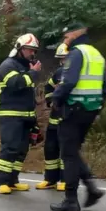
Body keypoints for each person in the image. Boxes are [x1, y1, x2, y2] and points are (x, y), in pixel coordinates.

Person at [48, 22, 106, 211]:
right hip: (90, 110)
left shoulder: (76, 54)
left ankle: (71, 199)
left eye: (66, 37)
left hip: (73, 109)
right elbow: (105, 87)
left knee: (68, 154)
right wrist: (98, 107)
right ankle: (91, 188)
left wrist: (56, 100)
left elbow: (69, 81)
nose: (64, 40)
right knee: (73, 151)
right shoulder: (96, 54)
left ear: (74, 35)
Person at [0, 33, 42, 194]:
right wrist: (33, 73)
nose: (32, 53)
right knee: (10, 148)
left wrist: (33, 117)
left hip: (26, 115)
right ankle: (1, 182)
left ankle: (12, 181)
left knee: (22, 150)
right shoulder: (7, 65)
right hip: (10, 114)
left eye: (34, 50)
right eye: (29, 49)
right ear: (20, 48)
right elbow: (16, 84)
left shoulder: (27, 66)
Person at [36, 43, 69, 191]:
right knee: (50, 149)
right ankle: (50, 179)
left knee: (66, 151)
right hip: (55, 119)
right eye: (61, 59)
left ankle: (66, 180)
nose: (63, 62)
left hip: (69, 119)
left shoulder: (78, 74)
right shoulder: (58, 73)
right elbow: (48, 87)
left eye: (65, 58)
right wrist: (50, 100)